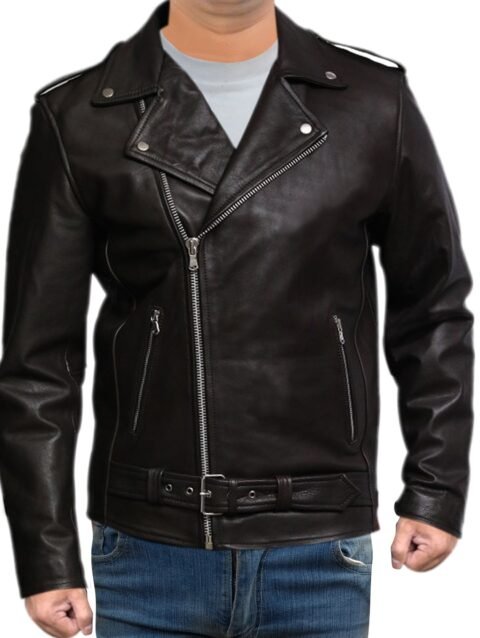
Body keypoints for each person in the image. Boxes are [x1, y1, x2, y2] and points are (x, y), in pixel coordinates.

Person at [0, 0, 474, 636]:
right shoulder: (80, 115)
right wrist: (45, 555)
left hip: (319, 547)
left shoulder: (371, 100)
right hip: (148, 549)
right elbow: (37, 364)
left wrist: (436, 489)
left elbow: (434, 307)